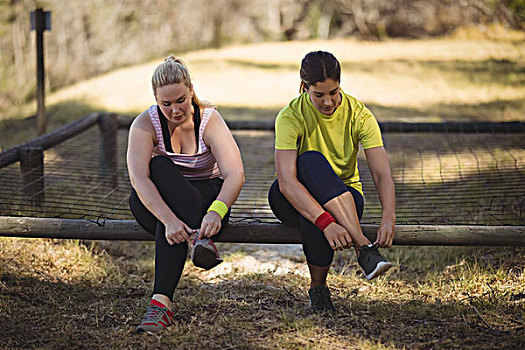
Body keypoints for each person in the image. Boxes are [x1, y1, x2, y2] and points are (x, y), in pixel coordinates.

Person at [268, 51, 395, 313]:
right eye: (319, 95)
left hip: (345, 199)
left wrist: (388, 217)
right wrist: (327, 224)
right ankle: (364, 248)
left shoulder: (359, 114)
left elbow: (381, 173)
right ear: (304, 88)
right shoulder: (290, 116)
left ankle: (318, 290)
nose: (328, 102)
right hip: (292, 197)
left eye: (334, 92)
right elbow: (287, 182)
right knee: (309, 161)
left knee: (315, 214)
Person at [127, 55, 244, 333]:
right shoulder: (144, 124)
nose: (175, 110)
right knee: (158, 166)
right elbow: (138, 179)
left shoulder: (209, 119)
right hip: (162, 208)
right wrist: (168, 220)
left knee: (180, 207)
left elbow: (235, 174)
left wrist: (217, 211)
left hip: (208, 209)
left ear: (191, 89)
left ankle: (160, 306)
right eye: (165, 104)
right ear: (155, 99)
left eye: (180, 99)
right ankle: (199, 243)